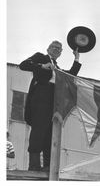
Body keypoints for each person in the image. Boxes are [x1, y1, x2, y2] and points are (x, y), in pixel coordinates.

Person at [19, 40, 82, 171]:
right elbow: (23, 65)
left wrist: (76, 58)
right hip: (41, 98)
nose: (56, 49)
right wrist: (42, 66)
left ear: (60, 53)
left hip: (53, 100)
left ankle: (47, 166)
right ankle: (34, 165)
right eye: (54, 47)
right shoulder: (40, 57)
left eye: (59, 49)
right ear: (48, 49)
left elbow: (70, 75)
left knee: (49, 132)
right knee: (38, 130)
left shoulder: (57, 68)